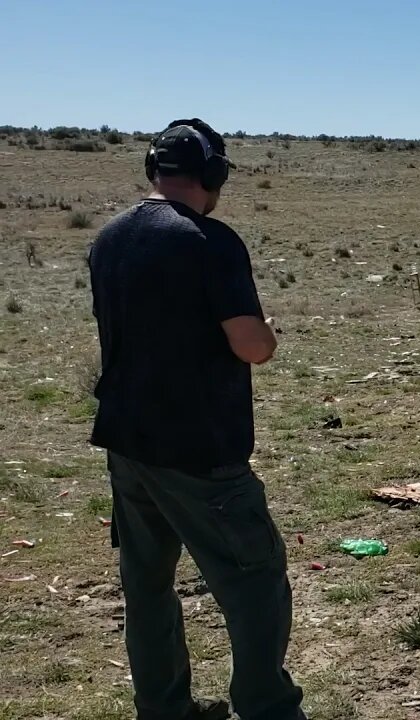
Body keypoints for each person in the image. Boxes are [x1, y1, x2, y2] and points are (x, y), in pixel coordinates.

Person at [88, 119, 306, 720]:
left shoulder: (109, 238)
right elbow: (251, 345)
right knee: (256, 582)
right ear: (213, 175)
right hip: (198, 449)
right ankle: (268, 708)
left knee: (149, 587)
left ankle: (164, 710)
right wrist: (268, 335)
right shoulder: (210, 241)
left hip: (128, 444)